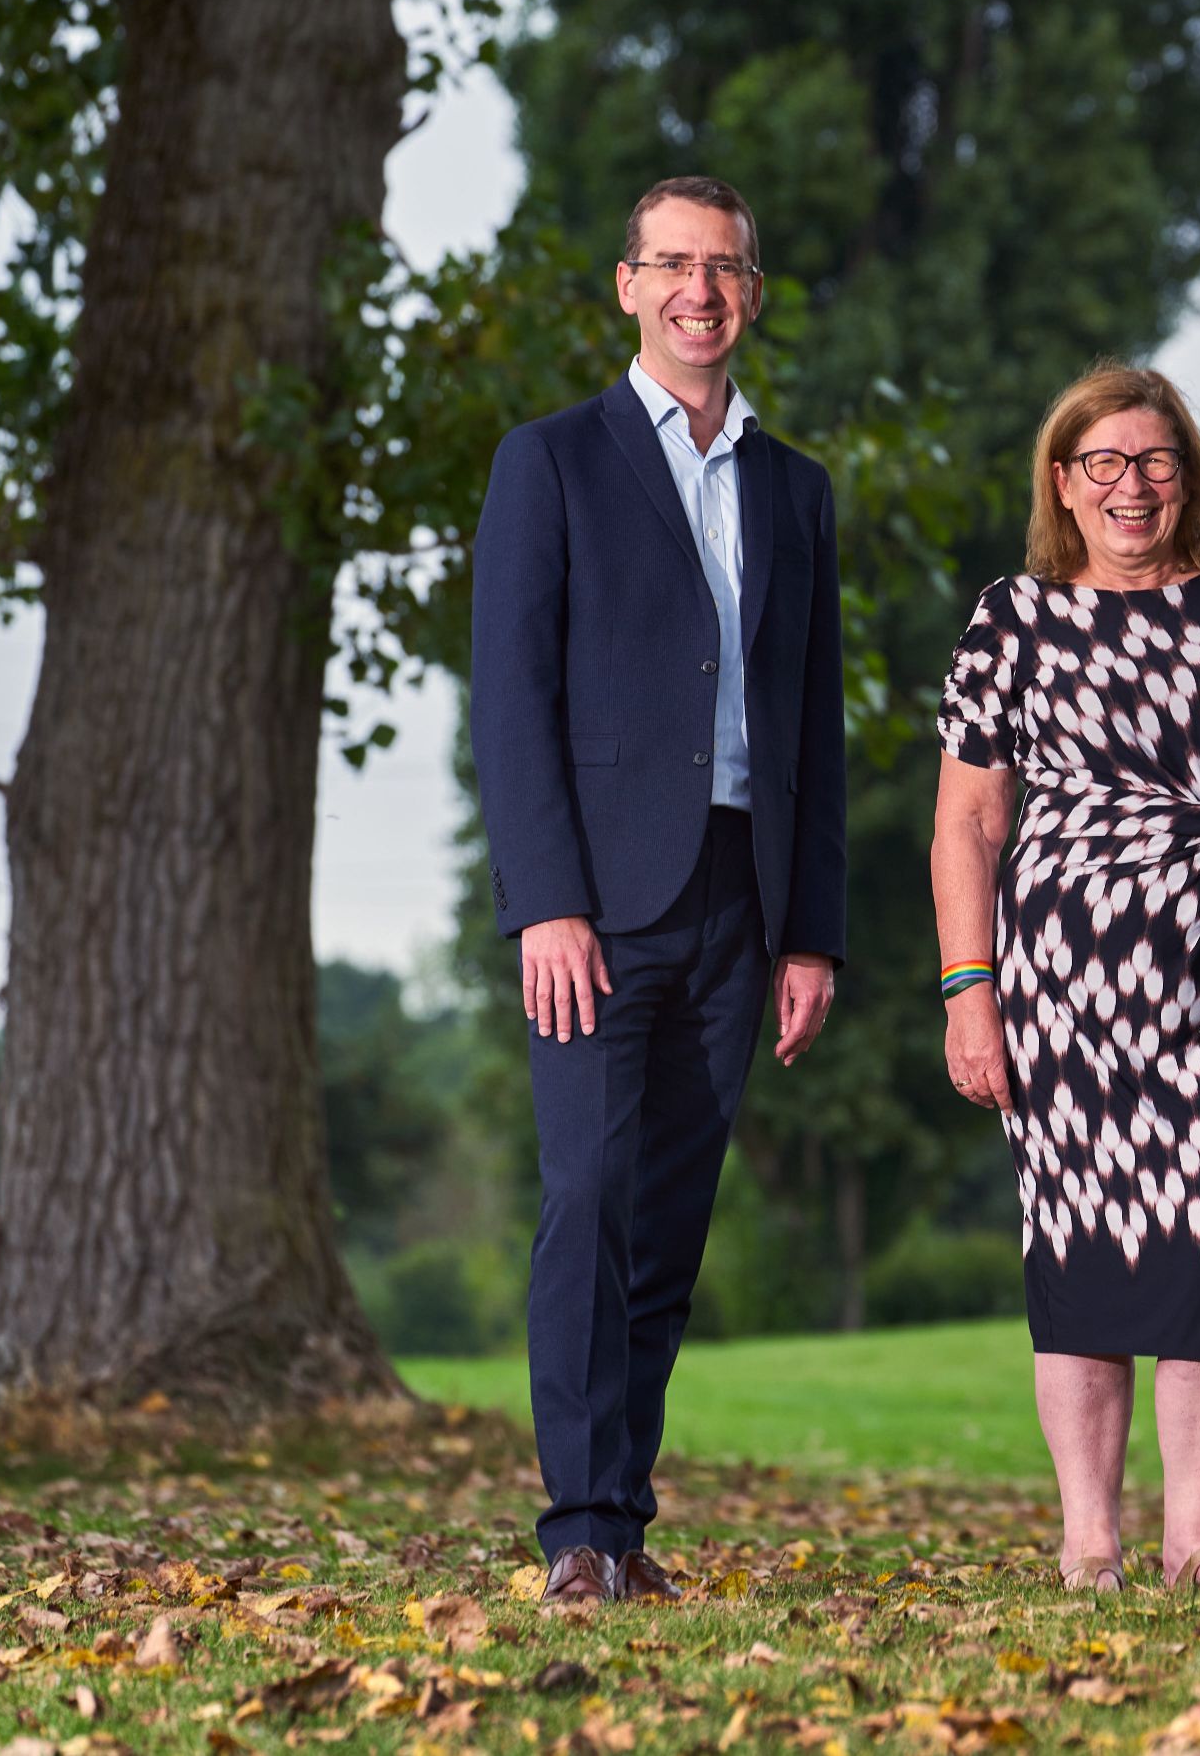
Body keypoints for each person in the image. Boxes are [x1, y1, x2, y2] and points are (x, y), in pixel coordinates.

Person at [469, 176, 846, 1607]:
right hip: (598, 907)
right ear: (626, 284)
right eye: (672, 263)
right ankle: (572, 1523)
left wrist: (810, 927)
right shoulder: (549, 462)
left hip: (739, 905)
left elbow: (806, 721)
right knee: (585, 1197)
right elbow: (510, 701)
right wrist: (544, 900)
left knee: (671, 1219)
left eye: (726, 266)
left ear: (751, 292)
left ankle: (623, 1523)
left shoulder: (793, 488)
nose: (701, 288)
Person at [932, 365, 1200, 1592]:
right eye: (1101, 463)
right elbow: (966, 821)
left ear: (1188, 477)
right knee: (1079, 1251)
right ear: (1063, 482)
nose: (1130, 486)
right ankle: (1089, 1537)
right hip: (1062, 986)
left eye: (1153, 461)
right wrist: (968, 988)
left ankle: (1195, 1537)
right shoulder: (1013, 618)